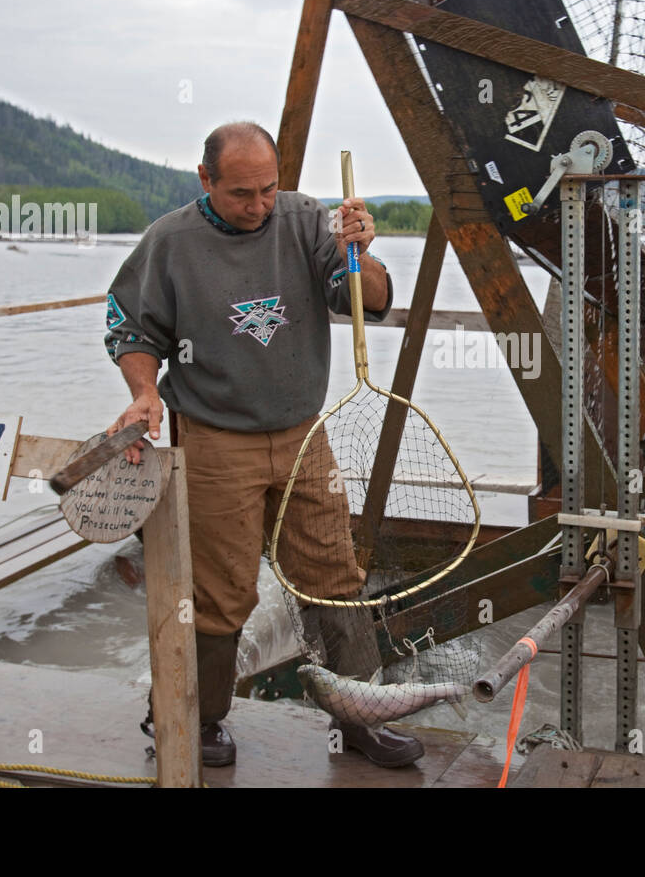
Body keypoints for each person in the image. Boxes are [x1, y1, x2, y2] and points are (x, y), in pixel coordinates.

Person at [101, 121, 423, 769]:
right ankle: (196, 718)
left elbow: (374, 300)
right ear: (206, 181)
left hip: (304, 433)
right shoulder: (170, 242)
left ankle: (361, 715)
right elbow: (127, 324)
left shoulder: (309, 221)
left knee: (335, 576)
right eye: (241, 193)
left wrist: (364, 253)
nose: (258, 206)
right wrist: (143, 392)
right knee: (221, 593)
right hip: (215, 436)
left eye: (268, 190)